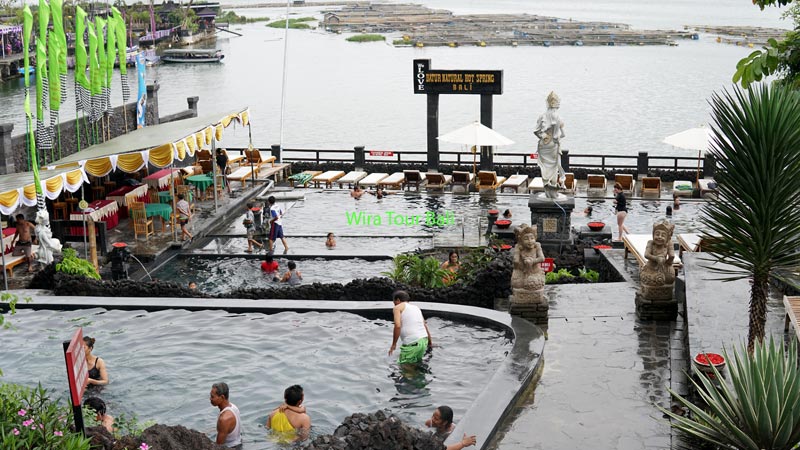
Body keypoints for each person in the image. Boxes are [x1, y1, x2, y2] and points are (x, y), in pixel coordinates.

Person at [534, 91, 567, 198]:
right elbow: (563, 134)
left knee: (544, 167)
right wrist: (555, 139)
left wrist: (544, 136)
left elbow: (536, 131)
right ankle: (553, 188)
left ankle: (547, 189)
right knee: (554, 167)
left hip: (543, 145)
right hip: (553, 145)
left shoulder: (541, 116)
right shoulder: (558, 118)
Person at [388, 290, 432, 364]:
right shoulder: (416, 308)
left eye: (394, 302)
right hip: (423, 341)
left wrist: (394, 344)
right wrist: (430, 343)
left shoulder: (397, 308)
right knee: (414, 366)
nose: (394, 305)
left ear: (398, 300)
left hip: (412, 343)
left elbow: (397, 326)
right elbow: (424, 325)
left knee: (405, 367)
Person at [210, 382, 242, 449]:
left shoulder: (224, 419)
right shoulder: (233, 407)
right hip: (238, 443)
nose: (210, 399)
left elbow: (218, 447)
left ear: (222, 397)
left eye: (212, 397)